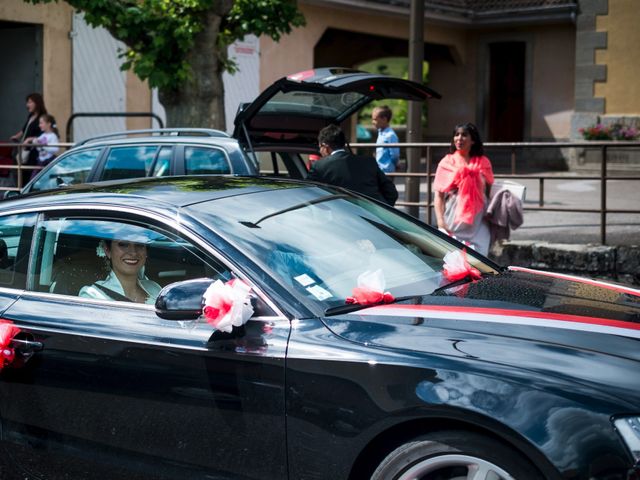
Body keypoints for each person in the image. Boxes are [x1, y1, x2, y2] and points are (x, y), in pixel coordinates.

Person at [433, 122, 494, 256]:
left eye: (464, 135)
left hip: (479, 218)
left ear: (473, 140)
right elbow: (439, 196)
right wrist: (440, 221)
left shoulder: (483, 162)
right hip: (454, 218)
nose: (459, 138)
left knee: (481, 256)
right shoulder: (447, 162)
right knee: (454, 256)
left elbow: (489, 190)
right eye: (456, 135)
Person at [307, 124, 398, 206]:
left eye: (320, 147)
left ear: (325, 146)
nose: (320, 151)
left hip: (343, 219)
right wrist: (385, 212)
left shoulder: (319, 167)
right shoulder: (369, 161)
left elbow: (307, 195)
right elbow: (391, 192)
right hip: (375, 217)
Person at [79, 238, 161, 304]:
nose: (133, 252)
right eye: (123, 244)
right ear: (107, 250)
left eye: (139, 244)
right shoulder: (92, 296)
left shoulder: (154, 288)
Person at [10, 93, 47, 166]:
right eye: (27, 102)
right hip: (25, 148)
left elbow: (44, 135)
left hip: (34, 150)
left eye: (30, 102)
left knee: (28, 170)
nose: (27, 105)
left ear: (37, 103)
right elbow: (24, 129)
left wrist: (29, 139)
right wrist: (16, 136)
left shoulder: (43, 117)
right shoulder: (31, 116)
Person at [24, 114, 59, 180]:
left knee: (47, 178)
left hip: (48, 161)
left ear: (48, 124)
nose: (39, 125)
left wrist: (42, 146)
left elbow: (55, 149)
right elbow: (39, 147)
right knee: (33, 178)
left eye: (41, 123)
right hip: (40, 160)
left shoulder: (53, 136)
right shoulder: (43, 135)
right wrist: (35, 142)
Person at [371, 105, 400, 173]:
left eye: (375, 119)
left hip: (387, 171)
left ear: (384, 119)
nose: (373, 122)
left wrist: (393, 165)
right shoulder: (381, 133)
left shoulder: (390, 135)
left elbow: (395, 155)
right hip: (380, 170)